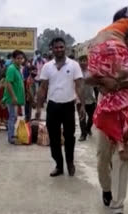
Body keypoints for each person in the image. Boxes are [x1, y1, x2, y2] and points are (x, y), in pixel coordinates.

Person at [87, 7, 128, 214]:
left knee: (123, 158)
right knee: (102, 158)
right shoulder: (106, 51)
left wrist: (115, 85)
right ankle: (107, 189)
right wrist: (102, 81)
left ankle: (118, 204)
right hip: (106, 113)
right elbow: (91, 77)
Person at [36, 37, 85, 177]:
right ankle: (59, 164)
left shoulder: (74, 65)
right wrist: (39, 108)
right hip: (52, 107)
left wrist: (81, 104)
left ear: (66, 48)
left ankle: (70, 162)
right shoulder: (47, 67)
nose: (59, 49)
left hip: (68, 106)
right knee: (54, 138)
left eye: (61, 47)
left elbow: (80, 85)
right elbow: (42, 88)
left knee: (69, 137)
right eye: (56, 47)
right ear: (52, 49)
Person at [2, 50, 25, 144]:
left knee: (14, 117)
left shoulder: (18, 69)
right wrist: (14, 97)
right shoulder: (11, 68)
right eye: (18, 58)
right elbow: (8, 83)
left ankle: (11, 134)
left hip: (16, 98)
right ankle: (10, 137)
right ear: (13, 59)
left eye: (21, 58)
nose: (20, 60)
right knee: (12, 117)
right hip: (12, 98)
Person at [77, 55, 97, 142]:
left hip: (91, 99)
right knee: (82, 117)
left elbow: (96, 86)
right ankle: (83, 134)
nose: (83, 62)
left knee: (92, 117)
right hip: (80, 100)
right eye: (81, 61)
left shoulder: (92, 72)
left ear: (88, 62)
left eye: (85, 60)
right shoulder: (77, 73)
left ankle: (88, 128)